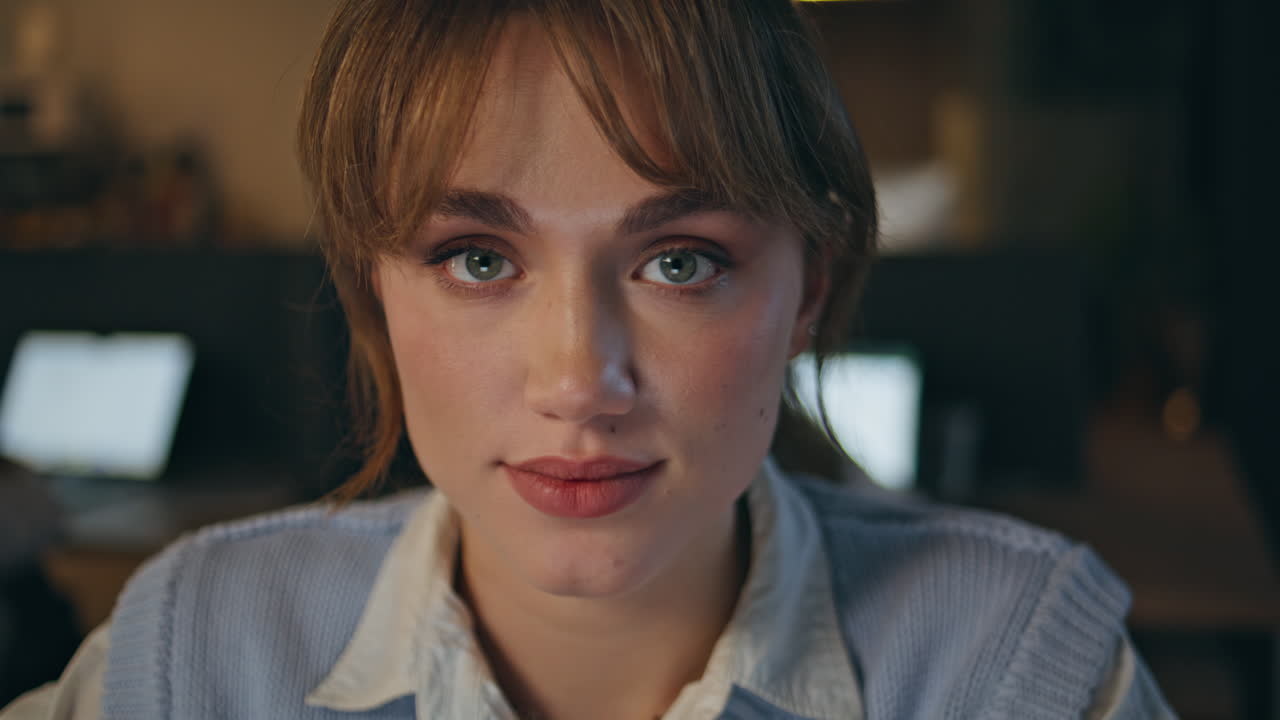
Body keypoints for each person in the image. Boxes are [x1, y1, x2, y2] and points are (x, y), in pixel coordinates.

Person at [3, 1, 1175, 718]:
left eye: (678, 263)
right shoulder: (195, 655)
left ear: (807, 287)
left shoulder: (1016, 668)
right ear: (373, 284)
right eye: (474, 258)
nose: (576, 384)